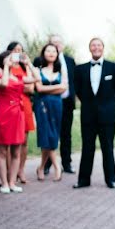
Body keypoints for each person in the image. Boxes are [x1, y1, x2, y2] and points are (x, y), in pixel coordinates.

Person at [73, 38, 115, 189]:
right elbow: (78, 90)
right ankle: (83, 180)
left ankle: (111, 180)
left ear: (103, 48)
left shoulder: (113, 67)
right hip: (88, 115)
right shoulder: (80, 69)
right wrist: (90, 105)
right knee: (87, 148)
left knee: (108, 148)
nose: (96, 48)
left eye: (99, 45)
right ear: (89, 48)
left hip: (107, 116)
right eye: (93, 45)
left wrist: (108, 106)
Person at [0, 49, 36, 193]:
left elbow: (37, 78)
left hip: (18, 114)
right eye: (9, 58)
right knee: (3, 151)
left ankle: (12, 182)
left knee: (16, 150)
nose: (13, 60)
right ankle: (4, 183)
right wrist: (5, 67)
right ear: (3, 61)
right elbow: (4, 84)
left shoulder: (18, 77)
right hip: (4, 114)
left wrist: (28, 63)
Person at [36, 35, 76, 175]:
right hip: (46, 104)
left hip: (66, 103)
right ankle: (46, 165)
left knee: (66, 134)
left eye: (59, 43)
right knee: (49, 133)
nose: (56, 45)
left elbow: (70, 83)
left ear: (63, 45)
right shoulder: (40, 62)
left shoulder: (70, 61)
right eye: (53, 43)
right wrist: (58, 88)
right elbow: (38, 85)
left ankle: (67, 163)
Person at [34, 43, 68, 181]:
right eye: (48, 50)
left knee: (53, 135)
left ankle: (41, 167)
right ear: (43, 53)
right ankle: (57, 167)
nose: (51, 53)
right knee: (45, 134)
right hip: (42, 105)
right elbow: (39, 89)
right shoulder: (37, 69)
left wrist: (48, 88)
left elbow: (64, 88)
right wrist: (56, 87)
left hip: (57, 105)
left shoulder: (61, 70)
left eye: (54, 51)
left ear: (57, 54)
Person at [6, 41, 35, 184]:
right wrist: (21, 86)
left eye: (21, 50)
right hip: (12, 104)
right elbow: (8, 86)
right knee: (10, 141)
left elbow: (30, 88)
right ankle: (9, 171)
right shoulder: (6, 67)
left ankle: (21, 170)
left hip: (26, 105)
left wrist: (28, 64)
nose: (18, 52)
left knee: (23, 140)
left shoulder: (24, 68)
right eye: (15, 50)